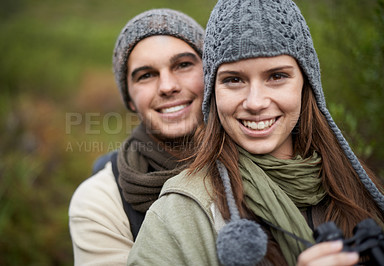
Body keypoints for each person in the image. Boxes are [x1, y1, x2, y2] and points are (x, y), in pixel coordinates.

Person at [127, 1, 384, 265]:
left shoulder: (357, 184)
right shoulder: (180, 214)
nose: (255, 102)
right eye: (234, 80)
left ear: (306, 83)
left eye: (276, 76)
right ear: (212, 93)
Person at [68, 8, 205, 265]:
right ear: (130, 99)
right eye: (146, 75)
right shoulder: (99, 202)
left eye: (183, 65)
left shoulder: (261, 157)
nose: (167, 86)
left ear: (211, 73)